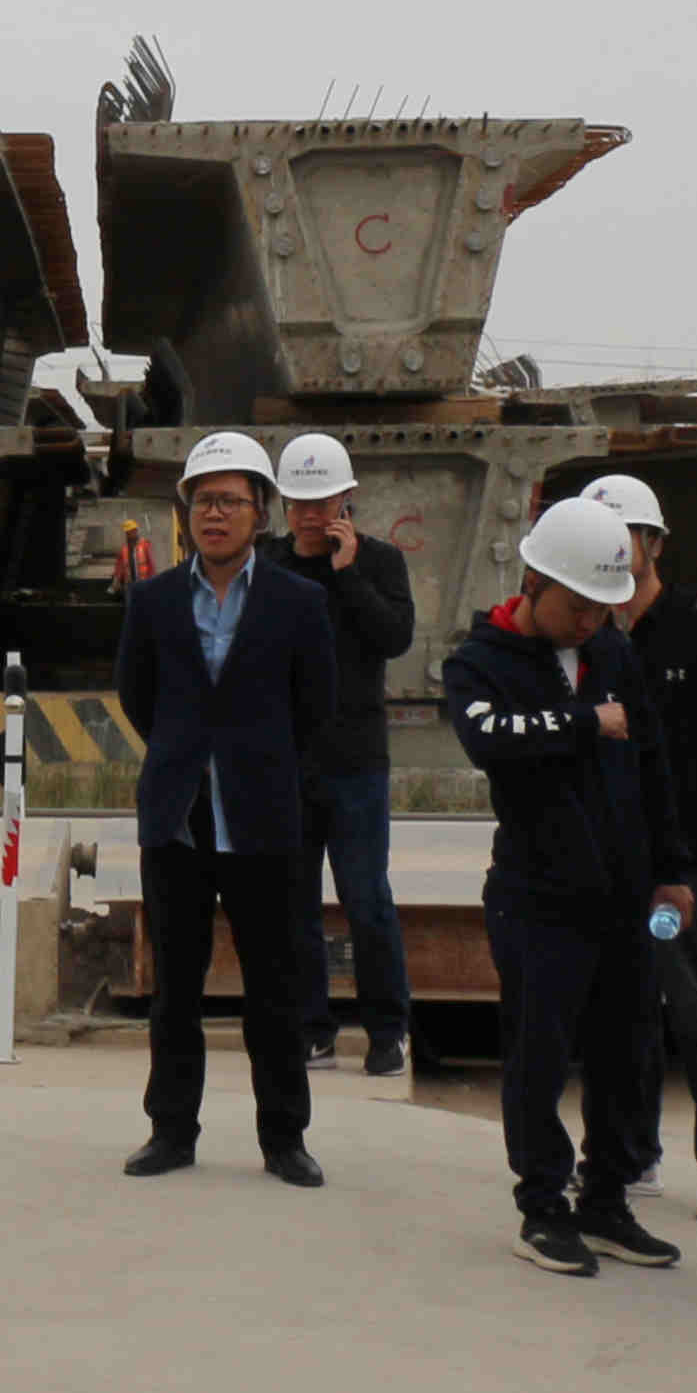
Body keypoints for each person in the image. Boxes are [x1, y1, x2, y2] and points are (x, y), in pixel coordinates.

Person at [452, 499, 682, 1275]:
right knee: (539, 1055)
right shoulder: (480, 662)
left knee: (628, 1055)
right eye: (577, 605)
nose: (590, 621)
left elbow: (651, 764)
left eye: (602, 607)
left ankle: (607, 1199)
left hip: (623, 895)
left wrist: (670, 870)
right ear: (534, 582)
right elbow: (488, 738)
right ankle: (543, 1208)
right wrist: (584, 722)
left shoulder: (613, 653)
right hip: (536, 895)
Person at [113, 431, 338, 1188]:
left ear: (260, 513)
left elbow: (315, 707)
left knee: (274, 988)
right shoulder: (151, 601)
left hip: (263, 817)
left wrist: (257, 761)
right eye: (204, 500)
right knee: (175, 988)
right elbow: (138, 697)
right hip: (177, 819)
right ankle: (171, 1131)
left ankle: (285, 1138)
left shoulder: (300, 603)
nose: (215, 514)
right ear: (186, 511)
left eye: (231, 502)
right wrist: (187, 751)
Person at [573, 473, 697, 1223]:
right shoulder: (584, 636)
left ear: (652, 542)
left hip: (692, 864)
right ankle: (632, 1153)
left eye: (625, 536)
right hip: (610, 859)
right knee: (624, 1012)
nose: (614, 550)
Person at [270, 433, 416, 1079]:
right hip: (286, 762)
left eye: (322, 501)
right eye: (299, 502)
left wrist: (348, 573)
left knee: (366, 899)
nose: (309, 514)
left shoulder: (380, 562)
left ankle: (387, 1030)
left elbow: (394, 638)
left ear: (347, 498)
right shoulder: (267, 566)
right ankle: (311, 1030)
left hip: (357, 761)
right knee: (293, 903)